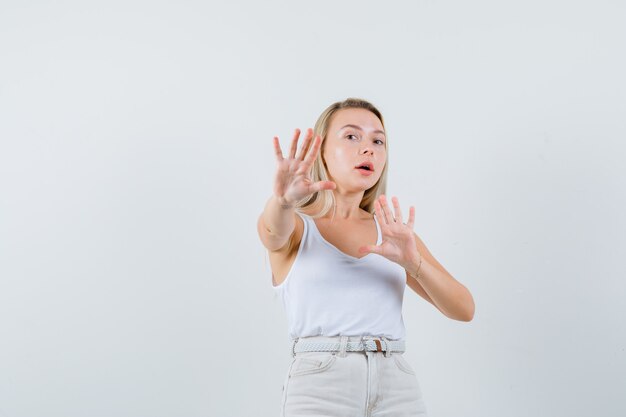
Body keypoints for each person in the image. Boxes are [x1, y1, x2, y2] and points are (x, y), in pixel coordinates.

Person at [257, 98, 475, 417]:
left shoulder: (393, 234)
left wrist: (413, 264)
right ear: (321, 152)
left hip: (395, 383)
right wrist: (283, 201)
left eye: (378, 141)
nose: (368, 148)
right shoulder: (298, 226)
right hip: (320, 385)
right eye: (351, 136)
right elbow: (271, 233)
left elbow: (464, 309)